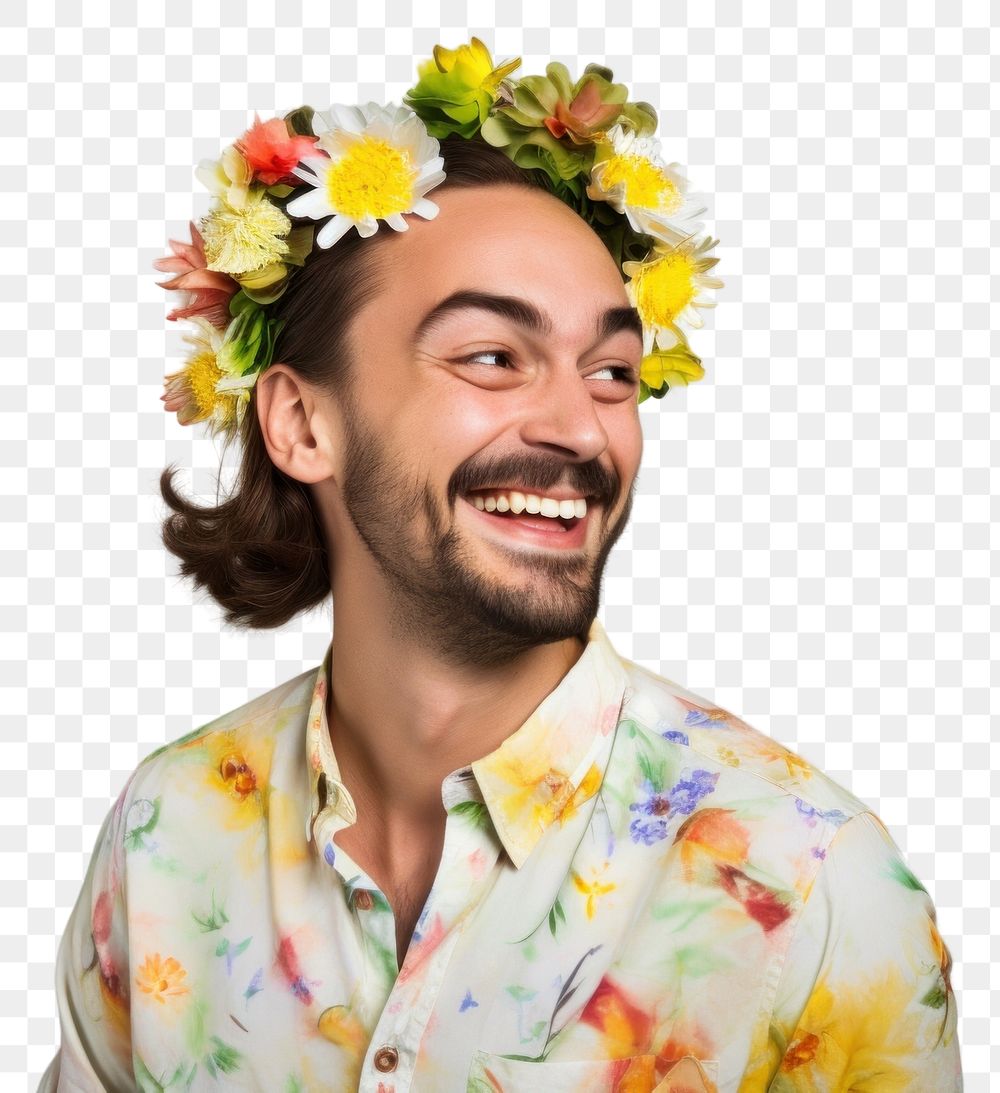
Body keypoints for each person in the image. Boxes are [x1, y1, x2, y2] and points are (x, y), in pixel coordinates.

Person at [41, 39, 961, 1093]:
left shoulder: (808, 884)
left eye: (612, 371)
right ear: (300, 422)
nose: (581, 426)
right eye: (491, 356)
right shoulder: (169, 830)